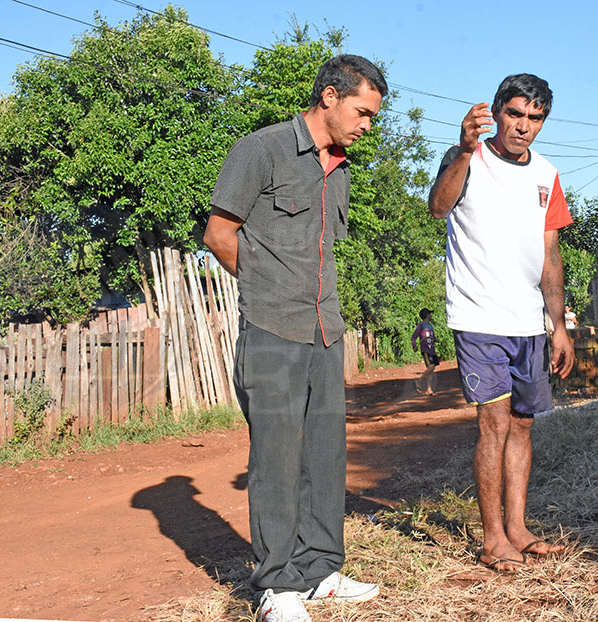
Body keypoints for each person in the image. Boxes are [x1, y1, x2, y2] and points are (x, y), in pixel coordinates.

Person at [203, 54, 387, 622]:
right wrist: (266, 287)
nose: (366, 126)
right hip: (271, 325)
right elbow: (218, 233)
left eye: (373, 117)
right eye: (361, 112)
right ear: (329, 97)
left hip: (325, 329)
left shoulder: (344, 170)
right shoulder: (261, 150)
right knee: (277, 459)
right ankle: (277, 586)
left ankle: (320, 571)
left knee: (325, 455)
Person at [427, 73, 575, 572]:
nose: (524, 126)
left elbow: (550, 254)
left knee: (522, 425)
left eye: (535, 118)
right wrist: (465, 149)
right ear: (496, 112)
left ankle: (518, 528)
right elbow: (437, 207)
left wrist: (558, 325)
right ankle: (493, 540)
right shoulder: (467, 159)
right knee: (493, 424)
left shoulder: (547, 174)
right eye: (515, 114)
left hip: (529, 322)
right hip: (478, 315)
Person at [411, 308, 440, 395]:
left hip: (432, 350)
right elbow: (414, 337)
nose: (431, 315)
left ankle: (429, 389)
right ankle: (419, 381)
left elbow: (432, 337)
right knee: (430, 367)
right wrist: (414, 346)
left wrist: (435, 339)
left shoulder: (430, 326)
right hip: (426, 350)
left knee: (432, 369)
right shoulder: (421, 325)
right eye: (430, 314)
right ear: (427, 315)